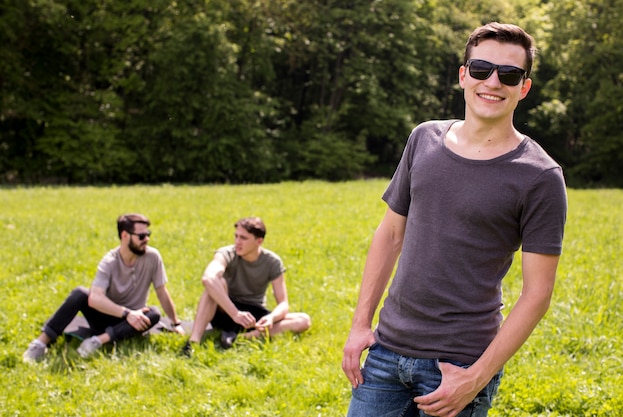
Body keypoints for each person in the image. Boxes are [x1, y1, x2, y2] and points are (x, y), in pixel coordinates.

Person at [342, 22, 567, 417]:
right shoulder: (423, 139)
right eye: (481, 69)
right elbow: (391, 234)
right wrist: (361, 324)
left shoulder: (541, 176)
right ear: (464, 76)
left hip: (458, 366)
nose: (492, 82)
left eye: (509, 74)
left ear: (523, 88)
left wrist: (477, 377)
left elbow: (537, 295)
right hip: (385, 352)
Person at [23, 213, 185, 361]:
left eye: (148, 235)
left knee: (154, 313)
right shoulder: (109, 261)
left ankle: (96, 342)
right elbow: (95, 298)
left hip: (132, 324)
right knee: (80, 293)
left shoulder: (153, 257)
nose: (146, 240)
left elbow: (161, 292)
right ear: (125, 236)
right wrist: (127, 313)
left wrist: (175, 323)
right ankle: (40, 343)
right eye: (141, 236)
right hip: (109, 315)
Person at [183, 217, 311, 354]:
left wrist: (271, 318)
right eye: (236, 236)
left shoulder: (272, 262)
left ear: (259, 241)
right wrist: (235, 313)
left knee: (303, 320)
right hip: (225, 310)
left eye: (243, 238)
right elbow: (208, 278)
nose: (237, 242)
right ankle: (193, 342)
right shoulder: (226, 253)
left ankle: (239, 338)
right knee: (216, 282)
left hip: (252, 316)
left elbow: (283, 303)